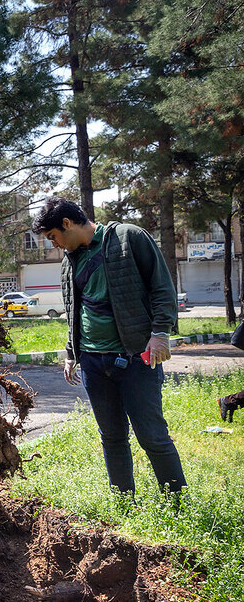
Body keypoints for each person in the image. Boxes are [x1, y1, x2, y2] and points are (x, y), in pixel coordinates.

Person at [32, 197, 187, 497]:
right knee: (112, 437)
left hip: (136, 358)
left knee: (152, 436)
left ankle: (177, 503)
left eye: (54, 237)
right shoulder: (70, 260)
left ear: (66, 224)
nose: (55, 245)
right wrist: (70, 353)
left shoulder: (129, 238)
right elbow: (75, 310)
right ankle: (124, 502)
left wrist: (160, 333)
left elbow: (161, 287)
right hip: (93, 362)